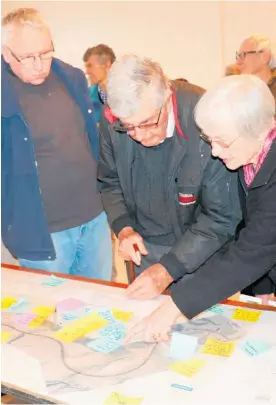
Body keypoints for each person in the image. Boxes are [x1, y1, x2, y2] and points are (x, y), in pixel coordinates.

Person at [125, 74, 276, 343]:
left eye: (223, 142)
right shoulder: (251, 153)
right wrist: (264, 286)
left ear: (259, 129)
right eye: (209, 140)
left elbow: (251, 251)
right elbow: (254, 231)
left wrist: (174, 307)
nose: (216, 152)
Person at [98, 54, 241, 299]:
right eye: (128, 127)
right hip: (143, 248)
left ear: (167, 98)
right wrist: (123, 227)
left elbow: (221, 217)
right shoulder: (114, 122)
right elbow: (109, 182)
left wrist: (168, 269)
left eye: (147, 123)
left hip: (202, 251)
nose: (138, 135)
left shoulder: (205, 120)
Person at [1, 8, 112, 279]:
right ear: (5, 52)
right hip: (43, 233)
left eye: (46, 53)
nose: (40, 64)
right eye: (28, 57)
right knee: (52, 314)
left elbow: (89, 141)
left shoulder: (71, 78)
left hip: (94, 218)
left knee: (98, 304)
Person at [236, 34, 276, 302]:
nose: (239, 62)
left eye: (243, 55)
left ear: (264, 56)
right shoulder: (238, 95)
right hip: (251, 228)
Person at [83, 44, 116, 124]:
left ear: (107, 64)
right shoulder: (85, 97)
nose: (86, 72)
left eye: (90, 66)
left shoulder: (127, 94)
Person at [236, 34, 276, 99]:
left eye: (243, 55)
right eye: (238, 56)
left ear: (264, 56)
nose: (237, 62)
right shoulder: (241, 93)